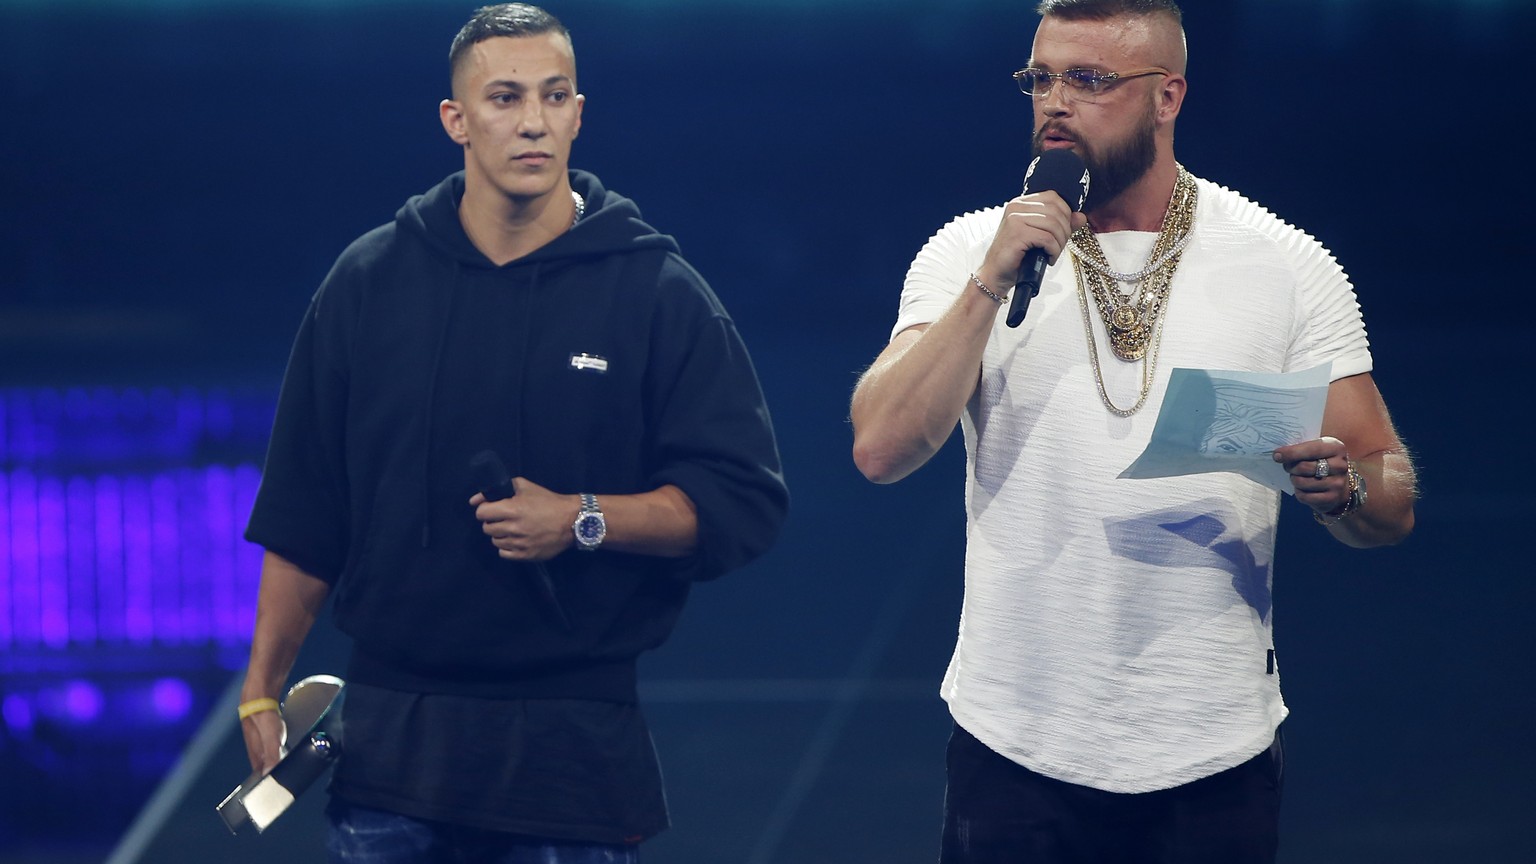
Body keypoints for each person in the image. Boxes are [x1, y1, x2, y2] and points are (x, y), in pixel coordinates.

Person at [849, 1, 1416, 861]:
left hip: (1210, 748)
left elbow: (1389, 487)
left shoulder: (1284, 264)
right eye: (1041, 77)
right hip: (1016, 746)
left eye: (1090, 79)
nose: (1055, 101)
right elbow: (881, 449)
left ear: (1167, 96)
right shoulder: (970, 252)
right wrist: (990, 282)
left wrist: (1348, 490)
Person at [236, 4, 788, 861]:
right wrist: (260, 690)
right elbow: (306, 509)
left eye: (553, 96)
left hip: (571, 762)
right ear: (456, 119)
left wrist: (582, 517)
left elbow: (741, 501)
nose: (533, 120)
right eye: (505, 98)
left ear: (578, 113)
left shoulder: (655, 291)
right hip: (389, 763)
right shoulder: (368, 284)